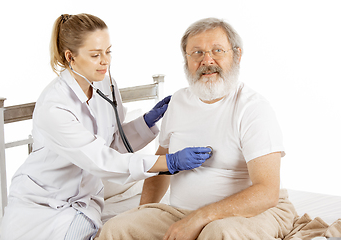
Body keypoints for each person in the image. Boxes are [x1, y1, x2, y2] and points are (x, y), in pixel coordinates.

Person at [0, 13, 212, 240]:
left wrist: (146, 122)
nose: (106, 61)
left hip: (86, 200)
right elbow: (101, 161)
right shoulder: (54, 107)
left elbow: (111, 143)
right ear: (70, 56)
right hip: (43, 207)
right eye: (95, 55)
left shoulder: (106, 84)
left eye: (108, 51)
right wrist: (170, 163)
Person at [97, 18, 298, 240]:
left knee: (218, 233)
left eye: (217, 50)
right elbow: (160, 170)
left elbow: (267, 192)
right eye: (197, 53)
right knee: (117, 229)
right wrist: (143, 212)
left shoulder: (253, 108)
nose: (207, 60)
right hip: (182, 213)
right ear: (186, 60)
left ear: (237, 55)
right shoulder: (179, 102)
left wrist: (201, 218)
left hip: (252, 214)